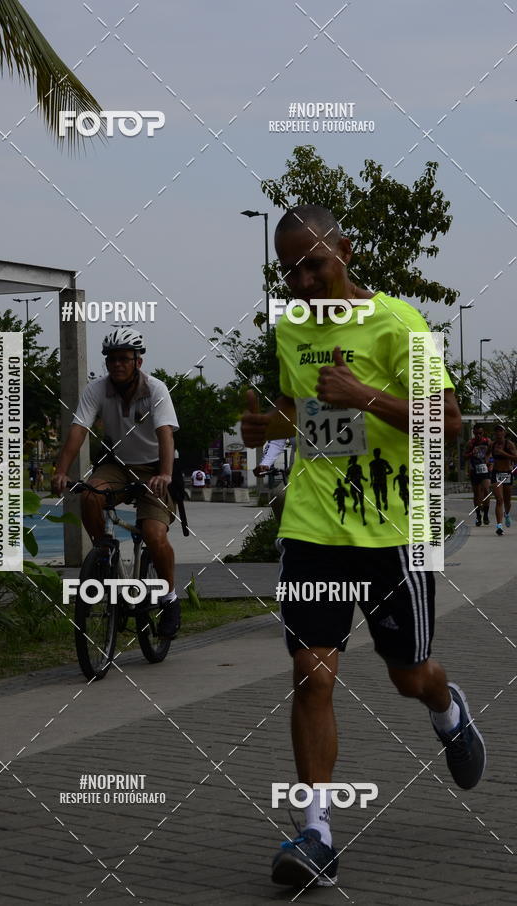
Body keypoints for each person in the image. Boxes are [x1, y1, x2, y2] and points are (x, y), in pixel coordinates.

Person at [241, 204, 485, 890]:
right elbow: (302, 401)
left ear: (344, 249)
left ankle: (448, 708)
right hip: (314, 528)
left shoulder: (399, 322)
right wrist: (270, 426)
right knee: (311, 675)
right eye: (289, 270)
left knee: (409, 675)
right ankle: (315, 834)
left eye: (314, 264)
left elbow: (450, 423)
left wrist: (365, 394)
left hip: (395, 536)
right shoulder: (290, 327)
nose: (303, 281)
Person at [51, 327, 181, 639]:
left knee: (153, 533)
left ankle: (169, 598)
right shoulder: (96, 389)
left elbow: (166, 434)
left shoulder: (156, 389)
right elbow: (78, 430)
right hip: (118, 465)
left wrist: (164, 475)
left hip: (154, 468)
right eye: (111, 359)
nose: (117, 364)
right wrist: (60, 471)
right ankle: (104, 553)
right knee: (91, 494)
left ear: (138, 361)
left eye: (124, 358)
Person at [488, 423, 517, 536]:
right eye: (496, 431)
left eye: (500, 431)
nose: (498, 433)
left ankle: (507, 514)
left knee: (507, 500)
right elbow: (487, 455)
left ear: (504, 433)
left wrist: (503, 453)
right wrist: (488, 462)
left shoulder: (509, 445)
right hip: (496, 473)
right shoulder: (492, 444)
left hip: (507, 473)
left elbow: (516, 458)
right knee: (499, 499)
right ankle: (499, 526)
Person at [464, 424, 492, 526]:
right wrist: (471, 453)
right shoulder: (470, 443)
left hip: (485, 469)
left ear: (483, 432)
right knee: (476, 494)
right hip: (474, 470)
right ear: (474, 433)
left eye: (480, 433)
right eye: (476, 433)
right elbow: (464, 457)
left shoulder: (487, 441)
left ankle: (486, 515)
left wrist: (490, 463)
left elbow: (492, 453)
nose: (478, 435)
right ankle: (478, 515)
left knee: (486, 490)